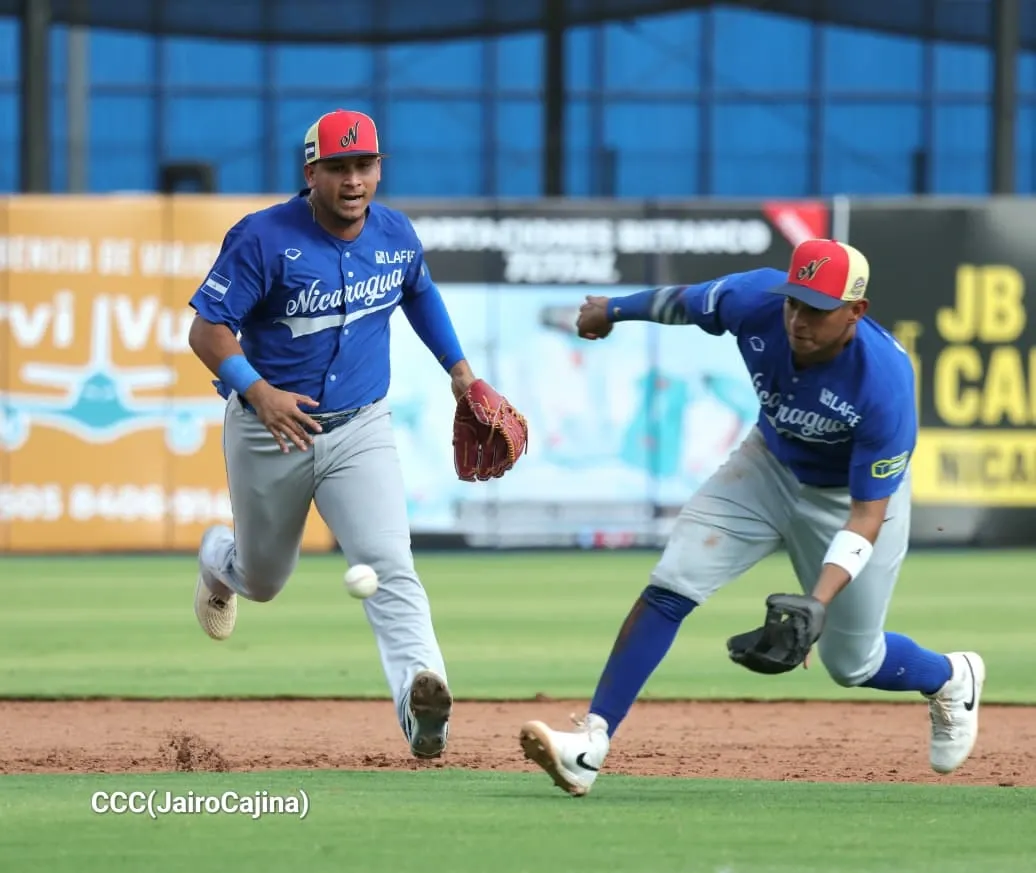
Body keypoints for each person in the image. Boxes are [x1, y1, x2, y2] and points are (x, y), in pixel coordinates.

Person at [518, 238, 985, 796]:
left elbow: (866, 515)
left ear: (856, 311)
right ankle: (590, 743)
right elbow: (684, 302)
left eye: (818, 309)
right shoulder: (755, 299)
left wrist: (818, 601)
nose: (799, 319)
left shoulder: (883, 384)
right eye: (795, 302)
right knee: (673, 583)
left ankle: (951, 677)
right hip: (768, 465)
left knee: (853, 664)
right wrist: (613, 309)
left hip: (846, 499)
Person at [187, 108, 479, 760]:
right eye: (338, 167)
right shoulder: (263, 238)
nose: (353, 180)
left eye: (364, 165)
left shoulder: (395, 233)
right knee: (263, 579)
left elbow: (419, 292)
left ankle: (421, 699)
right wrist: (258, 391)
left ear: (379, 169)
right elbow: (207, 331)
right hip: (271, 431)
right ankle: (218, 562)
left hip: (361, 428)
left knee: (390, 562)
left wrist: (459, 371)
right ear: (311, 172)